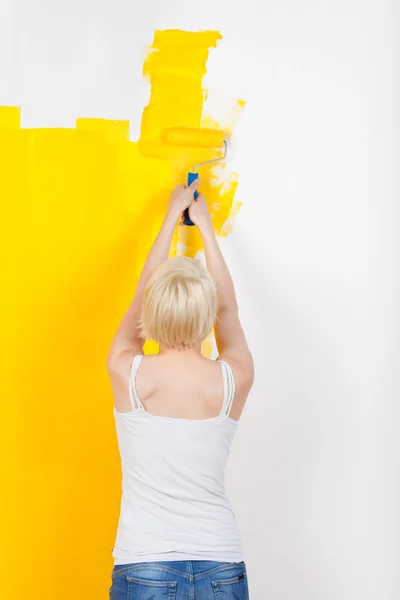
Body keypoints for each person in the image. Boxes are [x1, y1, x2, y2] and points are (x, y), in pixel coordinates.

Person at [106, 177, 254, 599]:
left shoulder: (127, 373)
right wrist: (204, 226)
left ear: (152, 309)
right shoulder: (233, 378)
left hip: (145, 566)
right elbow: (229, 309)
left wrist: (173, 215)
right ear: (207, 317)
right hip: (221, 565)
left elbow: (140, 294)